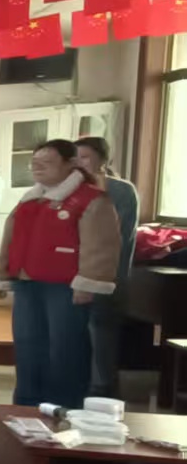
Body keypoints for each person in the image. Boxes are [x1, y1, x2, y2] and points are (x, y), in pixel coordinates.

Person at [0, 140, 120, 409]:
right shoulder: (30, 198)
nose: (37, 167)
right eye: (34, 163)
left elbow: (101, 246)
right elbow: (10, 238)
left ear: (71, 164)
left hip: (66, 287)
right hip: (27, 283)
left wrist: (88, 283)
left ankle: (64, 405)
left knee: (65, 347)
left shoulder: (91, 198)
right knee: (28, 345)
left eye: (47, 162)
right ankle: (27, 404)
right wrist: (2, 273)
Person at [76, 136, 140, 400]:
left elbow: (114, 237)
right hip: (75, 277)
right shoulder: (73, 188)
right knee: (78, 337)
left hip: (108, 276)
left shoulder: (120, 190)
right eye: (75, 158)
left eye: (85, 157)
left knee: (101, 336)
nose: (78, 163)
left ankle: (102, 393)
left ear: (103, 160)